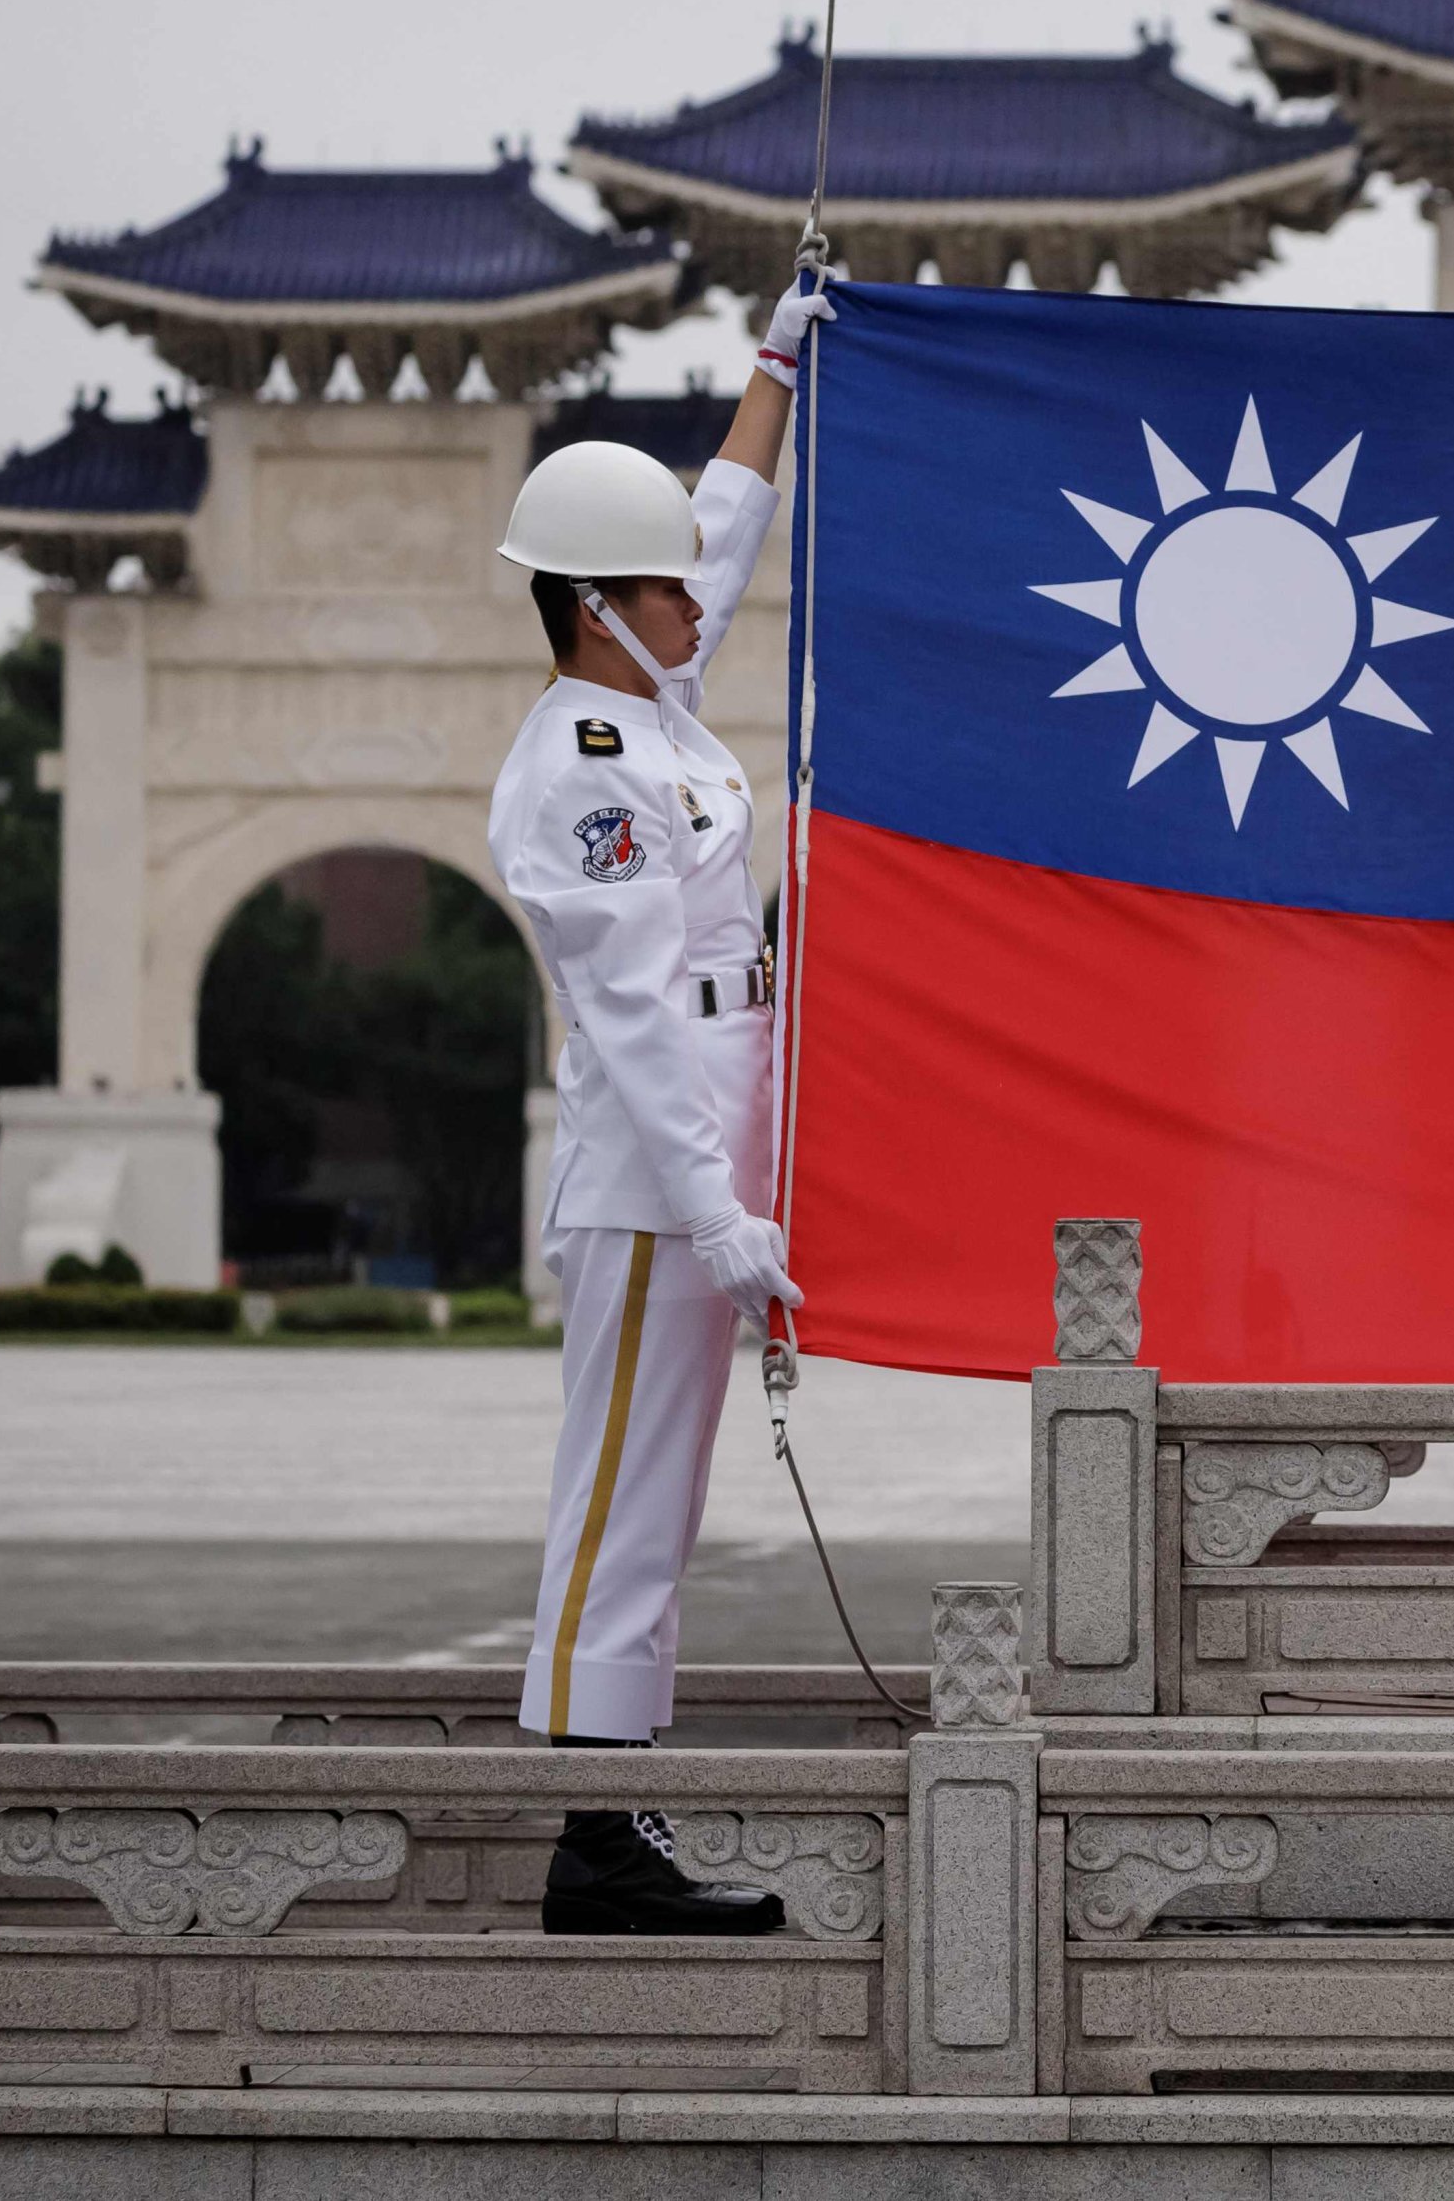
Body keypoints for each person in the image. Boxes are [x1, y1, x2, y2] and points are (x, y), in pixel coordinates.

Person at [488, 279, 834, 1935]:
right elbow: (626, 1012)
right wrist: (713, 1206)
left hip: (709, 1159)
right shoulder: (582, 769)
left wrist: (774, 368)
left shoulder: (656, 710)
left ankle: (613, 1808)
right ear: (592, 608)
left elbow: (722, 521)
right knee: (621, 1485)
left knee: (662, 1491)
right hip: (650, 1179)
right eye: (661, 586)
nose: (695, 594)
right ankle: (593, 1839)